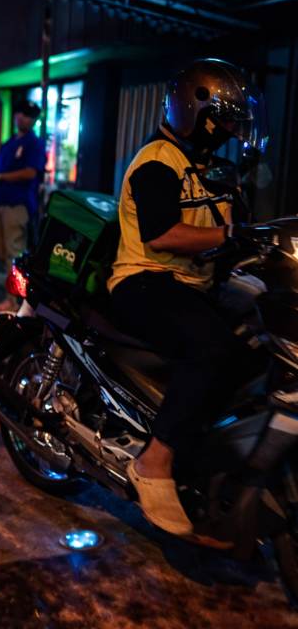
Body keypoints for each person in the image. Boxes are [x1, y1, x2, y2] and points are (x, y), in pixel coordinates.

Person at [108, 58, 265, 543]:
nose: (231, 131)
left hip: (189, 285)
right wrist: (231, 233)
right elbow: (164, 235)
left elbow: (232, 234)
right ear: (193, 111)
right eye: (225, 120)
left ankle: (199, 447)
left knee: (252, 347)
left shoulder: (212, 169)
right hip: (143, 280)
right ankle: (154, 460)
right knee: (212, 349)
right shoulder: (159, 160)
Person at [0, 100, 45, 313]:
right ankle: (14, 299)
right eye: (21, 113)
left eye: (29, 115)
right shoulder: (9, 143)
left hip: (18, 204)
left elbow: (31, 172)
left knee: (15, 253)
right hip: (2, 203)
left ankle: (16, 302)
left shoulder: (34, 143)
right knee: (4, 252)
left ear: (34, 120)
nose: (23, 118)